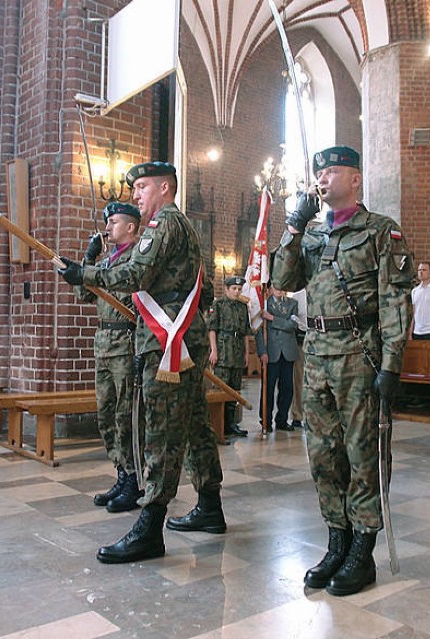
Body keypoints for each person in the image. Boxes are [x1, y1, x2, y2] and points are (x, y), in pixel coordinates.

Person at [57, 161, 226, 564]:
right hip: (179, 336)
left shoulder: (164, 222)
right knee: (195, 424)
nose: (135, 195)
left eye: (143, 187)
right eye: (134, 188)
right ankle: (209, 505)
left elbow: (137, 271)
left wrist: (88, 273)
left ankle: (150, 525)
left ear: (165, 188)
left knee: (162, 430)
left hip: (168, 337)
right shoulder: (175, 223)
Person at [271, 145, 414, 596]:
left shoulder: (379, 232)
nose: (322, 179)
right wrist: (294, 227)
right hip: (315, 354)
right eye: (319, 173)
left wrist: (391, 364)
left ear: (355, 178)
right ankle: (337, 540)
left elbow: (394, 301)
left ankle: (362, 550)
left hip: (358, 354)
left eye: (332, 171)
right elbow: (282, 280)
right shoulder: (311, 235)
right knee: (324, 456)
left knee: (361, 454)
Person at [74, 202, 143, 512]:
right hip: (103, 343)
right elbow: (83, 294)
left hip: (126, 344)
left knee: (126, 417)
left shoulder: (137, 260)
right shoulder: (106, 262)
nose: (108, 228)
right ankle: (121, 472)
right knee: (105, 415)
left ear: (130, 226)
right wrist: (89, 257)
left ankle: (134, 480)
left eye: (114, 222)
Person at [207, 275, 252, 437]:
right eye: (234, 289)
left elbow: (246, 331)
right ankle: (219, 425)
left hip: (238, 351)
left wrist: (247, 353)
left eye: (239, 289)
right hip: (223, 350)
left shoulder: (242, 306)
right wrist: (213, 350)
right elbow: (212, 329)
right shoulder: (218, 305)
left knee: (235, 390)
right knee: (221, 389)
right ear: (226, 289)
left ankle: (231, 424)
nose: (237, 291)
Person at [256, 284, 300, 431]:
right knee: (268, 388)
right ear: (269, 289)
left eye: (282, 286)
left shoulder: (293, 304)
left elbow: (292, 325)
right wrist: (262, 352)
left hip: (288, 352)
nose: (279, 289)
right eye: (276, 286)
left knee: (287, 388)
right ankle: (266, 420)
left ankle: (282, 419)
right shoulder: (263, 304)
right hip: (271, 352)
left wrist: (272, 318)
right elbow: (258, 331)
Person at [288, 288, 308, 429]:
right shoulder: (296, 297)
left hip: (322, 340)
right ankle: (297, 415)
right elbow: (291, 320)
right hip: (301, 340)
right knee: (299, 379)